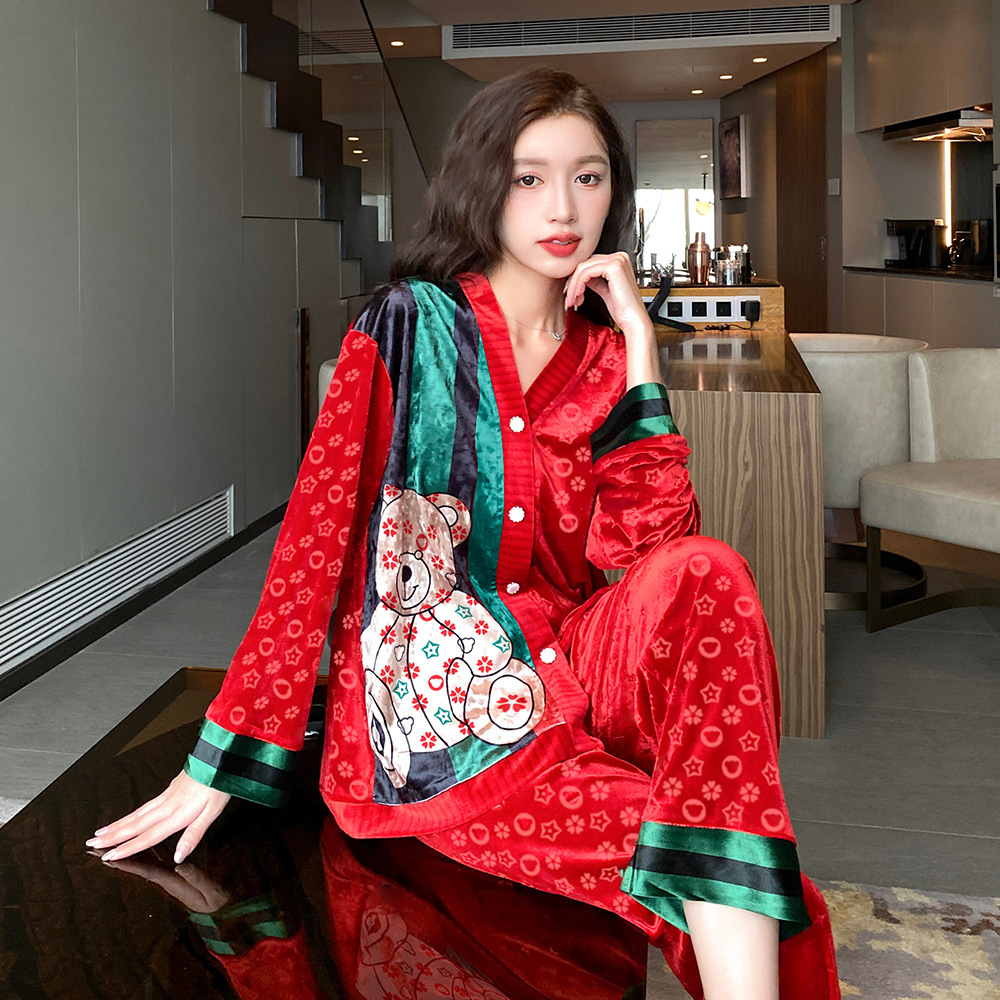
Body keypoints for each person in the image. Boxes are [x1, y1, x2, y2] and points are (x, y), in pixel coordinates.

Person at [88, 69, 840, 999]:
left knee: (711, 569)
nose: (563, 208)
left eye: (589, 177)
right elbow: (312, 545)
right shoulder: (408, 325)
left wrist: (642, 357)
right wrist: (226, 754)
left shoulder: (606, 356)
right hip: (444, 718)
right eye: (529, 178)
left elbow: (650, 565)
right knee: (749, 879)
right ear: (483, 184)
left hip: (576, 667)